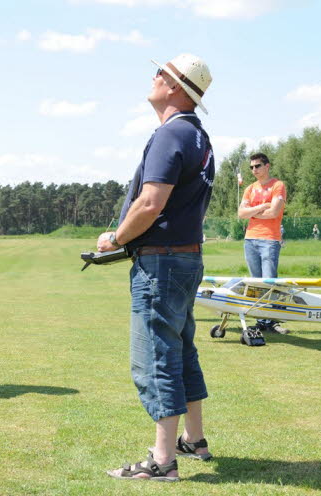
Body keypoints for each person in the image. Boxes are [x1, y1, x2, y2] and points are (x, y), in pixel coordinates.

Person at [97, 53, 215, 482]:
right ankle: (194, 439)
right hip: (186, 257)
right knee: (183, 350)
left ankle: (163, 460)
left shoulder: (170, 135)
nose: (154, 77)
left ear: (177, 88)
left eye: (161, 73)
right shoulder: (199, 136)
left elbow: (150, 203)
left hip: (161, 263)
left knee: (155, 357)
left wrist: (116, 238)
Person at [237, 152, 288, 334]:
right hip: (250, 239)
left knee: (269, 282)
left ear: (267, 166)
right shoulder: (250, 188)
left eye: (257, 166)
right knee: (256, 283)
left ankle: (271, 321)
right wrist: (261, 207)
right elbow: (241, 214)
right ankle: (261, 321)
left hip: (270, 239)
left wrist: (252, 212)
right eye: (251, 167)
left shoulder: (278, 185)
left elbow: (274, 212)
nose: (254, 170)